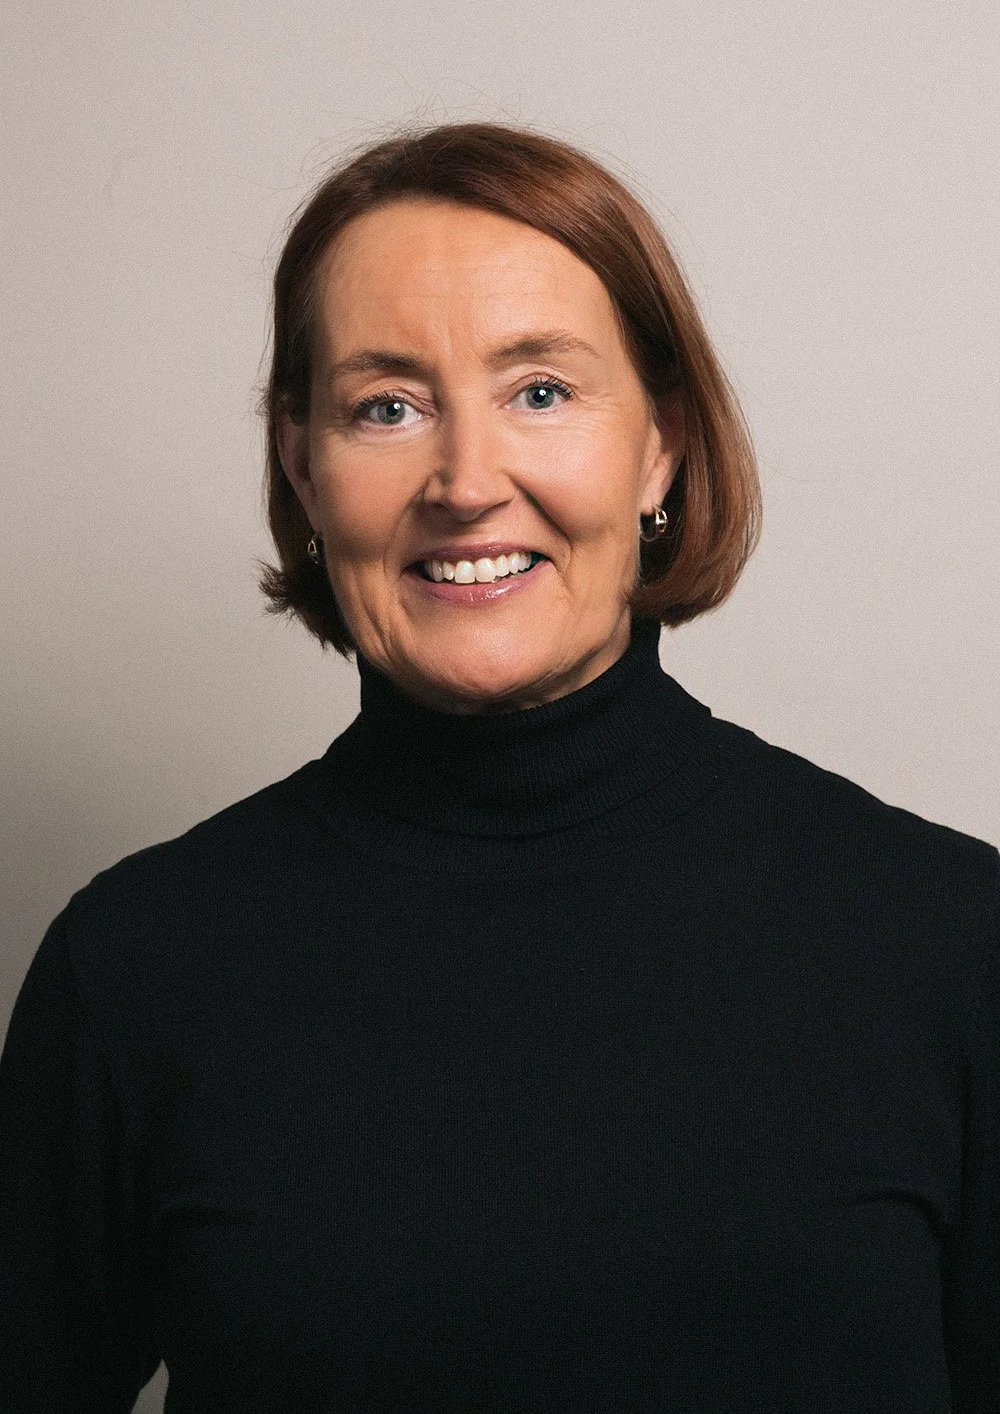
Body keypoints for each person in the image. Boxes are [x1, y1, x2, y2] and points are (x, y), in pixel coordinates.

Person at [0, 121, 996, 1413]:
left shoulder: (946, 942)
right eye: (388, 407)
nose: (467, 482)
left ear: (661, 445)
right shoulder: (135, 969)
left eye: (540, 392)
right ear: (304, 466)